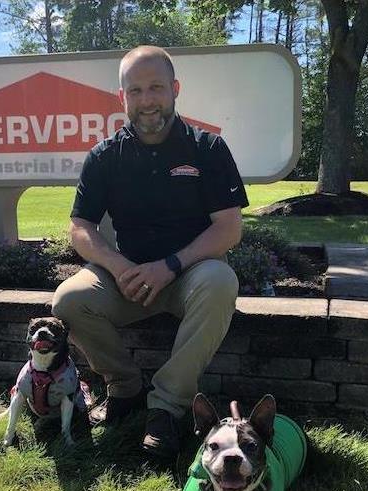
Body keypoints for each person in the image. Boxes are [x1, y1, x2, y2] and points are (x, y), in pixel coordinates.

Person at [52, 45, 249, 459]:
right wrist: (118, 265)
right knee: (69, 299)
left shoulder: (207, 149)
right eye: (135, 90)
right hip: (131, 279)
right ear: (121, 97)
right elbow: (80, 228)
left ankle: (166, 406)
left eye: (156, 87)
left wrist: (170, 265)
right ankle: (125, 388)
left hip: (191, 276)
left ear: (175, 89)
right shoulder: (105, 157)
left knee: (220, 280)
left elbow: (229, 228)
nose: (146, 100)